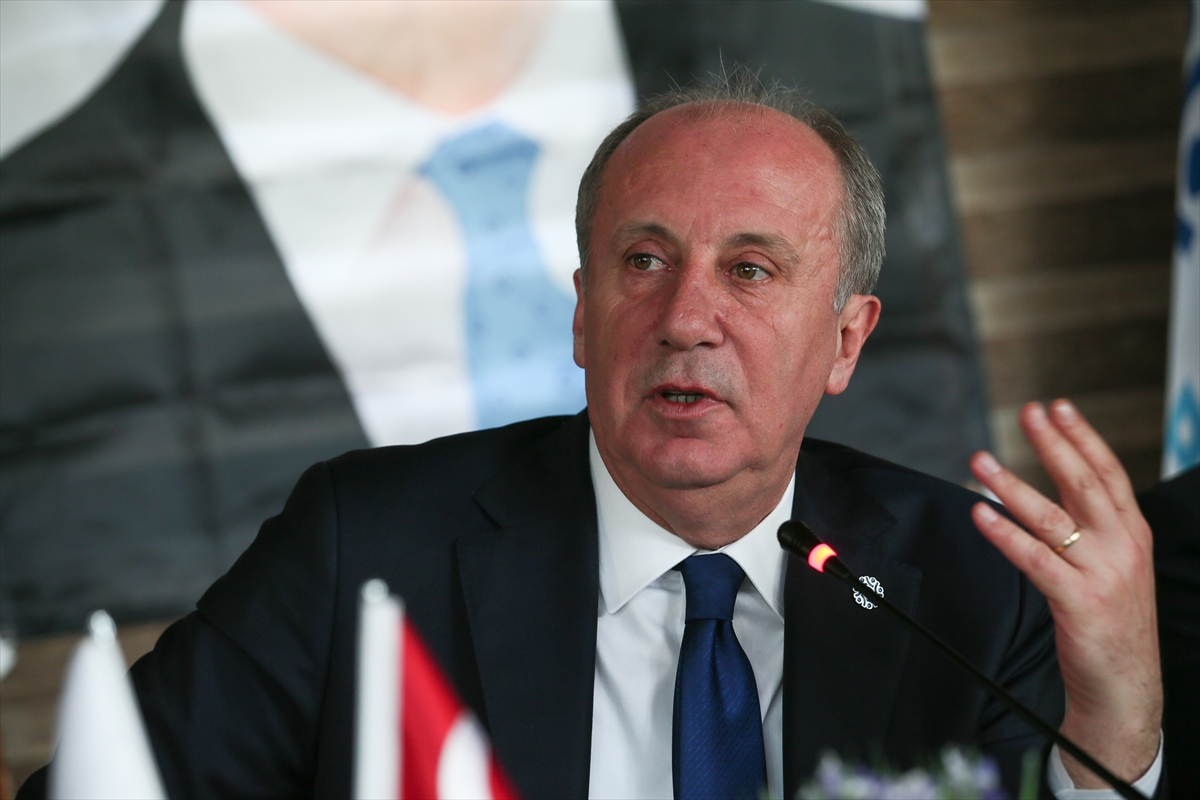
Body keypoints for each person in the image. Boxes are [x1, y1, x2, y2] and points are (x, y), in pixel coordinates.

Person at [18, 77, 1163, 800]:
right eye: (644, 260)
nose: (685, 318)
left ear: (846, 339)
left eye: (750, 270)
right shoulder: (364, 545)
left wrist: (1115, 722)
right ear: (582, 314)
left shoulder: (973, 586)